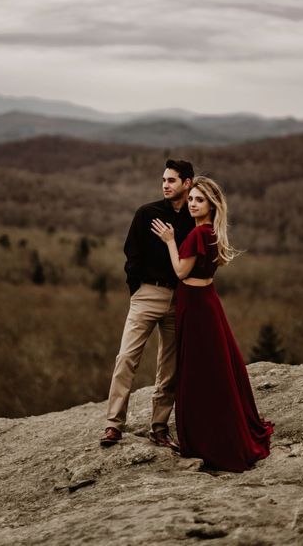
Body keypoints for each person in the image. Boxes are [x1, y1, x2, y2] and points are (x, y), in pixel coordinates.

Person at [151, 176, 274, 472]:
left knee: (199, 371)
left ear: (212, 204)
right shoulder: (212, 233)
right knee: (216, 367)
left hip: (194, 303)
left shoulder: (196, 235)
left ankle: (211, 440)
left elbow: (181, 272)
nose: (193, 204)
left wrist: (169, 241)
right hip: (208, 300)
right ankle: (225, 429)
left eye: (199, 200)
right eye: (191, 199)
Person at [100, 159, 195, 449]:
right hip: (146, 295)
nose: (166, 185)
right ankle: (113, 425)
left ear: (187, 183)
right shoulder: (147, 213)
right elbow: (131, 253)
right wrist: (136, 289)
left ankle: (159, 427)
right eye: (163, 180)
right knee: (126, 357)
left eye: (172, 180)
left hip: (179, 298)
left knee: (170, 366)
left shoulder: (193, 217)